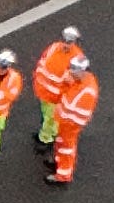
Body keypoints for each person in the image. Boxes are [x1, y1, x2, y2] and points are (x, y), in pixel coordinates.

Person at [42, 53, 100, 186]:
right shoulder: (82, 81)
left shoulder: (87, 90)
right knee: (61, 143)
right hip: (65, 121)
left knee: (67, 147)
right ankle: (58, 161)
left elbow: (70, 105)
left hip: (71, 123)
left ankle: (63, 175)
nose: (71, 72)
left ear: (83, 71)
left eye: (75, 70)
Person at [32, 29, 89, 153]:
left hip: (57, 97)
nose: (66, 44)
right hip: (44, 93)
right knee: (45, 116)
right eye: (65, 41)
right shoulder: (53, 48)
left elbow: (76, 81)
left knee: (50, 119)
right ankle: (47, 133)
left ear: (74, 42)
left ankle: (45, 140)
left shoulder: (76, 59)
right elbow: (42, 63)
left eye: (69, 42)